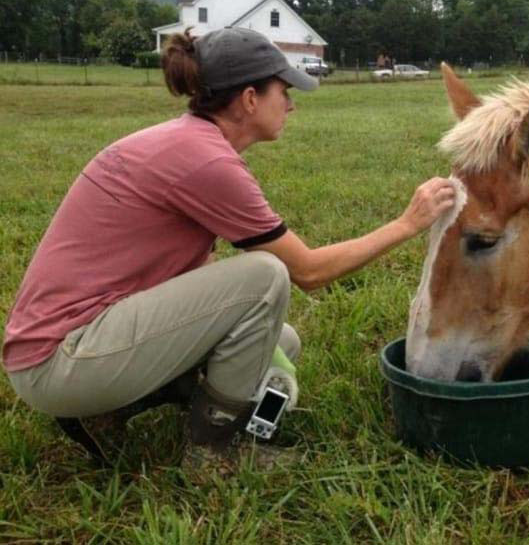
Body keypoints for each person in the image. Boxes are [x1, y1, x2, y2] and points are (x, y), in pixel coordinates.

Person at [2, 27, 456, 479]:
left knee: (282, 343)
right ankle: (214, 452)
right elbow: (308, 271)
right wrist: (407, 224)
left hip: (72, 347)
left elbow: (192, 281)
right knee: (264, 275)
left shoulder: (184, 142)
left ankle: (102, 412)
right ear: (250, 98)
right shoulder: (207, 162)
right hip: (60, 362)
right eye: (285, 90)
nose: (293, 104)